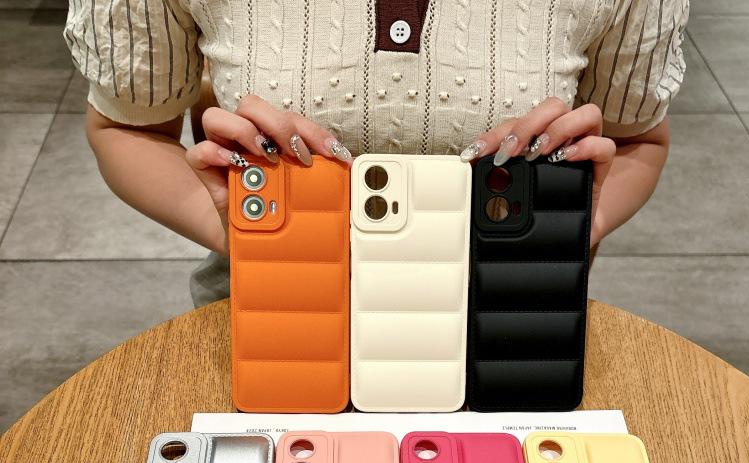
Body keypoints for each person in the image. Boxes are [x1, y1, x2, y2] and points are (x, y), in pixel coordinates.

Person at [65, 0, 687, 304]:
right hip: (276, 316)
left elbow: (637, 138)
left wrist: (577, 223)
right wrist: (230, 224)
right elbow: (127, 125)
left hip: (513, 322)